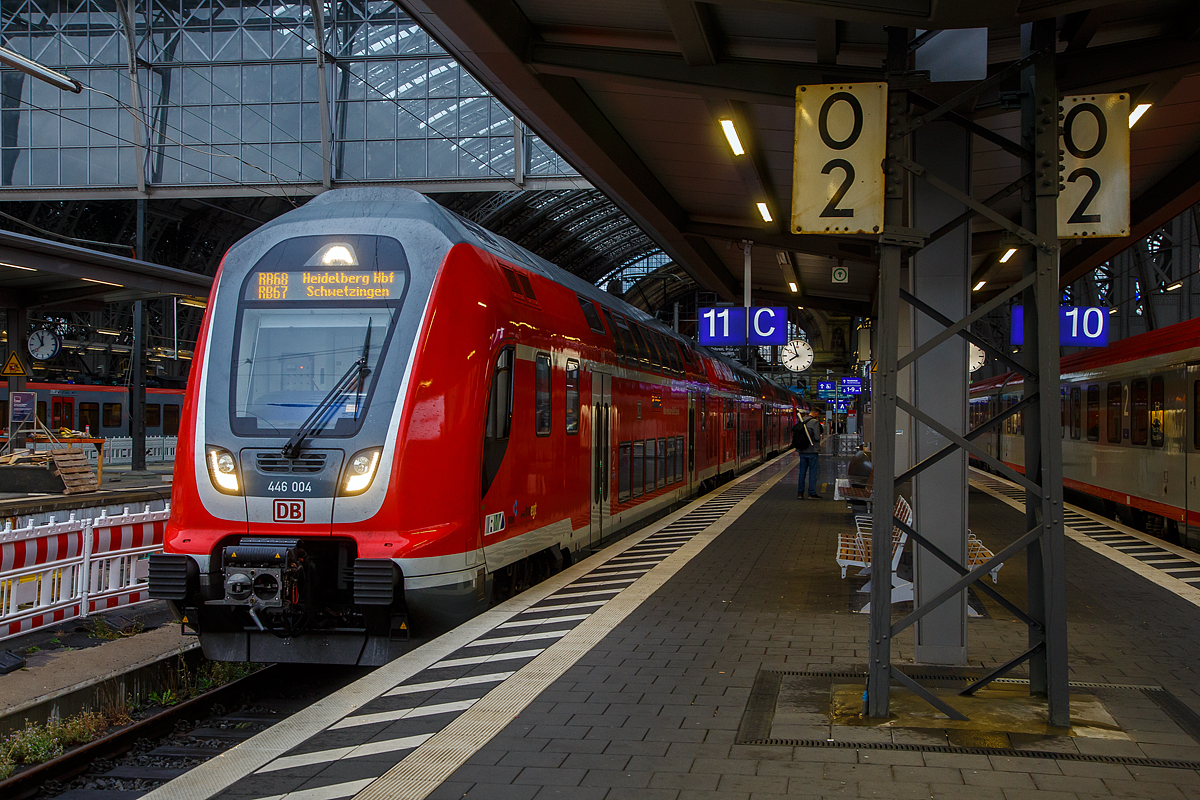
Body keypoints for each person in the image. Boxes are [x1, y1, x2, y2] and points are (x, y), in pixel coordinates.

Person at [792, 408, 824, 499]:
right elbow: (817, 437)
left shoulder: (801, 420)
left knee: (802, 472)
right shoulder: (814, 422)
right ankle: (811, 493)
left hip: (802, 450)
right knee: (813, 472)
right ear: (816, 413)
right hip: (812, 451)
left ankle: (800, 493)